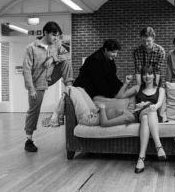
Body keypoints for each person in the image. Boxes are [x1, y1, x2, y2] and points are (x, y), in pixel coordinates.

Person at [23, 21, 73, 152]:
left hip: (52, 76)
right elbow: (26, 70)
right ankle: (29, 140)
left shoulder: (56, 44)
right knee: (34, 109)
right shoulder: (31, 48)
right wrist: (31, 89)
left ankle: (69, 87)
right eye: (53, 35)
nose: (55, 38)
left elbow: (67, 55)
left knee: (66, 61)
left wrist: (54, 58)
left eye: (57, 36)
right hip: (37, 82)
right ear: (45, 33)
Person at [115, 66, 166, 174]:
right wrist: (126, 83)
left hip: (153, 114)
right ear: (142, 76)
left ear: (154, 75)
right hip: (139, 113)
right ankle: (159, 146)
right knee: (144, 114)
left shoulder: (160, 89)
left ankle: (141, 158)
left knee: (146, 117)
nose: (147, 76)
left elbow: (159, 103)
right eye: (144, 74)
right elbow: (119, 97)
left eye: (150, 73)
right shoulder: (138, 88)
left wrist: (150, 106)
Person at [43, 85, 135, 128]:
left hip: (90, 119)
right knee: (79, 89)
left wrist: (102, 108)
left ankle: (55, 117)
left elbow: (105, 123)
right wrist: (100, 109)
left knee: (69, 89)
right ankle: (59, 117)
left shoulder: (129, 117)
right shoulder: (130, 112)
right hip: (95, 112)